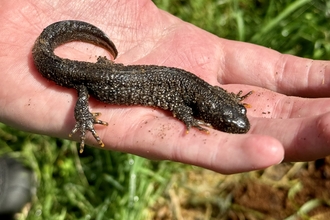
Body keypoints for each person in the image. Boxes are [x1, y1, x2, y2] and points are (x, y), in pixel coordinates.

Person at [1, 0, 330, 174]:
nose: (236, 124)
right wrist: (187, 118)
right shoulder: (195, 97)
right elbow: (180, 105)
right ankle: (85, 117)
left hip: (109, 76)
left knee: (97, 78)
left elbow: (198, 100)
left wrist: (212, 108)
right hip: (93, 80)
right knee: (85, 87)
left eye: (234, 116)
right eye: (229, 122)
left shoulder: (203, 92)